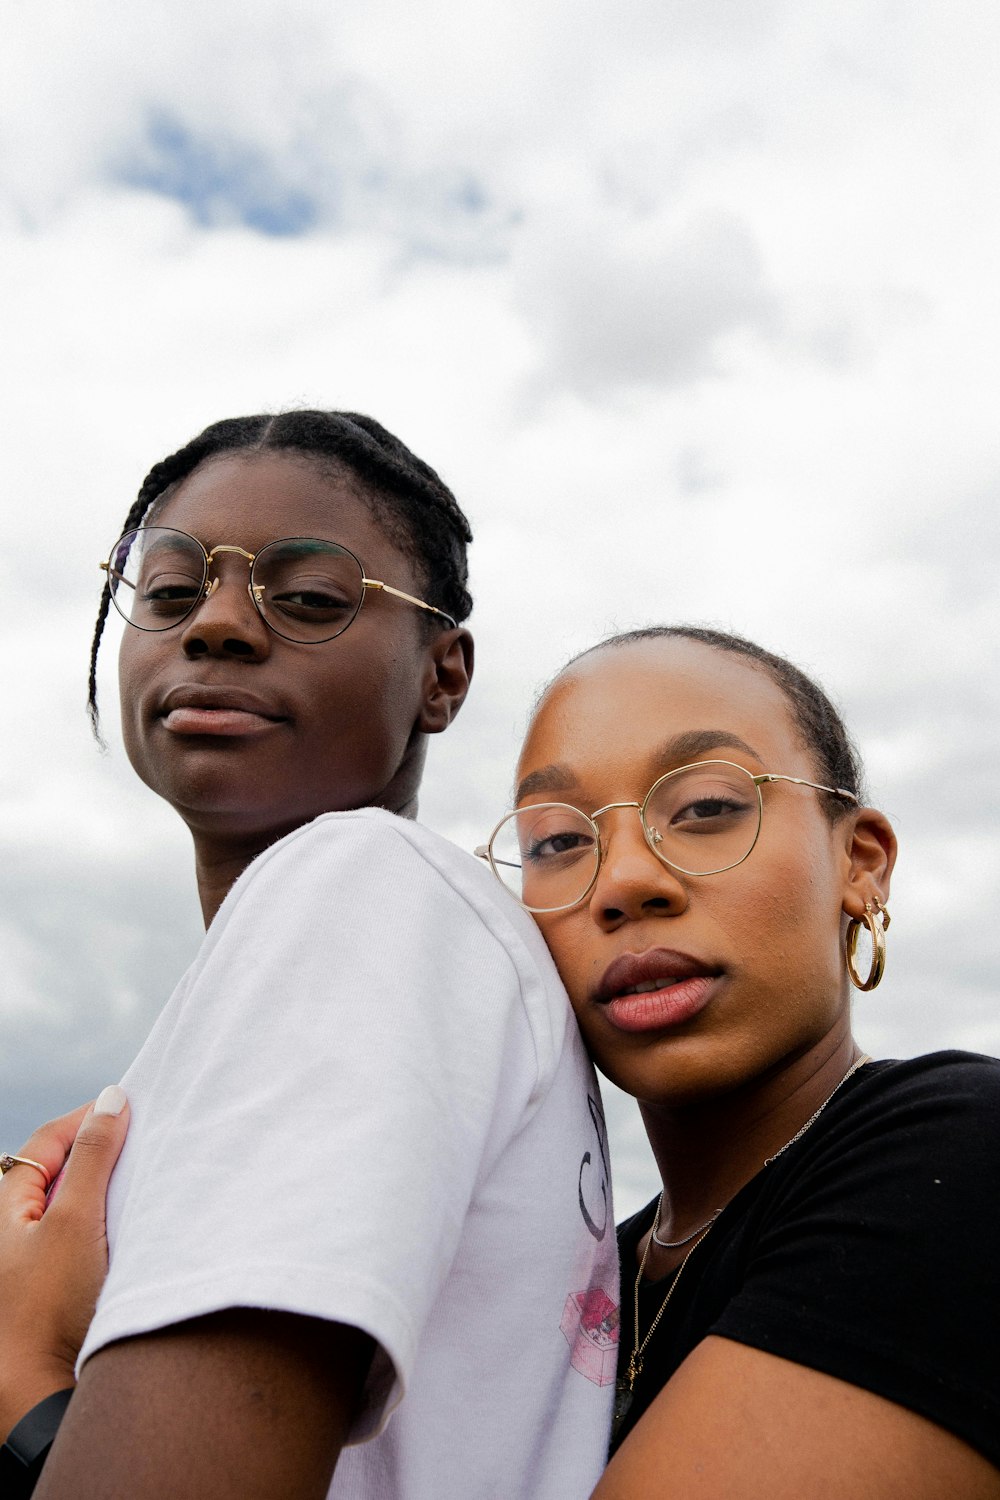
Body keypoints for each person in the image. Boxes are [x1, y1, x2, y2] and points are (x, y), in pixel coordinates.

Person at [0, 410, 617, 1500]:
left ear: (442, 674)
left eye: (311, 598)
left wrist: (22, 1384)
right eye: (170, 590)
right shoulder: (304, 968)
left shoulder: (365, 887)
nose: (219, 626)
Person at [475, 625, 1000, 1498]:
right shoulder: (585, 1274)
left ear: (859, 863)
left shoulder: (963, 1156)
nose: (623, 882)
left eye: (707, 809)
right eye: (558, 842)